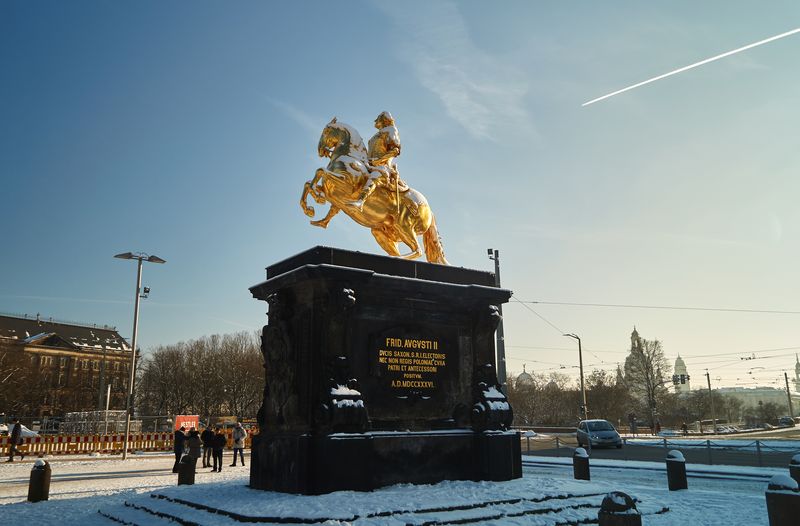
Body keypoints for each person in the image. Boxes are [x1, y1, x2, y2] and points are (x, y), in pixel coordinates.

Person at [352, 111, 402, 211]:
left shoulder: (391, 130)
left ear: (383, 120)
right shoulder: (377, 134)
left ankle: (360, 201)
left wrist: (379, 161)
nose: (376, 121)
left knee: (375, 176)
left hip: (383, 166)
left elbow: (395, 150)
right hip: (369, 163)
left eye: (378, 119)